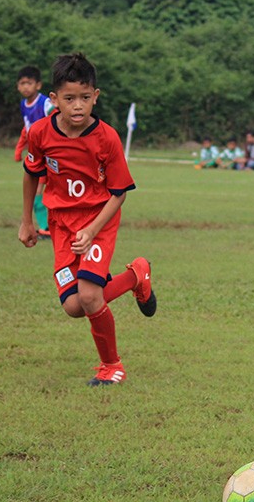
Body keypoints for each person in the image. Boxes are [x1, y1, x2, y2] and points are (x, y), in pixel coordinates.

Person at [18, 52, 157, 387]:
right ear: (54, 100)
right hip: (61, 224)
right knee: (74, 306)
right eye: (69, 99)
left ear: (96, 96)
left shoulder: (107, 137)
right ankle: (136, 275)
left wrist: (93, 230)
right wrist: (26, 221)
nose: (77, 106)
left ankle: (112, 366)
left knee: (91, 295)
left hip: (99, 221)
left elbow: (119, 192)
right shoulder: (40, 133)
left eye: (84, 98)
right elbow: (30, 175)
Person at [14, 66, 54, 237]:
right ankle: (46, 227)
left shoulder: (45, 103)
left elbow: (58, 118)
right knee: (38, 192)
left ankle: (47, 228)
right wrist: (19, 149)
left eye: (29, 83)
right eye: (22, 83)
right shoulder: (24, 105)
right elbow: (27, 129)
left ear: (38, 85)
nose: (25, 87)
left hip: (50, 156)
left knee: (40, 193)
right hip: (36, 157)